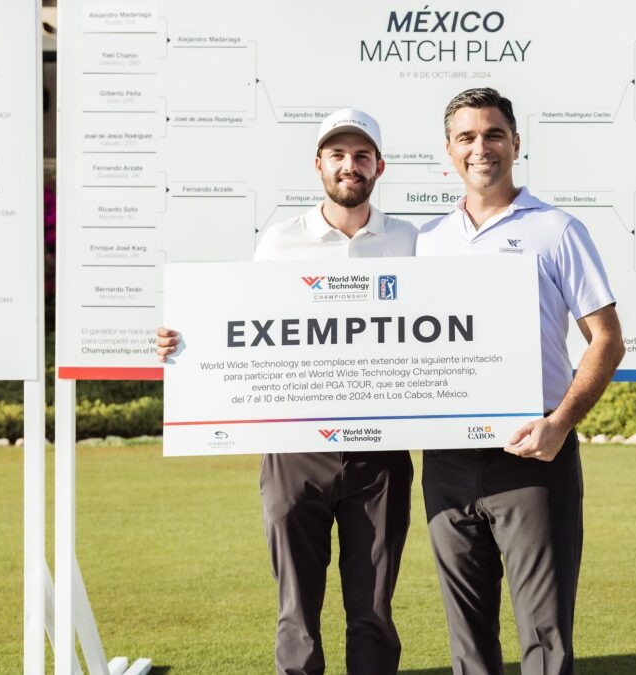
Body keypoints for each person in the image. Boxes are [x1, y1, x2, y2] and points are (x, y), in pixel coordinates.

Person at [156, 109, 416, 675]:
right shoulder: (280, 241)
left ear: (379, 166)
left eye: (362, 155)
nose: (351, 165)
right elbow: (244, 326)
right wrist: (184, 342)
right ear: (319, 164)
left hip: (381, 453)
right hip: (294, 450)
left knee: (372, 608)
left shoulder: (409, 241)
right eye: (339, 155)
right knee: (296, 610)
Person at [416, 88, 626, 675]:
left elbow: (607, 340)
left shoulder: (556, 230)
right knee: (468, 638)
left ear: (515, 143)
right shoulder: (425, 241)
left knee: (544, 634)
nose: (480, 148)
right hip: (447, 461)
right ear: (449, 151)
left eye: (492, 135)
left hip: (532, 455)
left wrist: (560, 424)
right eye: (466, 137)